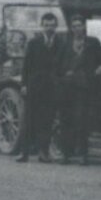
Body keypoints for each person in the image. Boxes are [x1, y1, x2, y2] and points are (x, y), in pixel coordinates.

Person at [54, 19, 101, 165]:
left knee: (82, 120)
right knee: (66, 119)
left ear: (84, 27)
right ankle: (66, 154)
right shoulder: (65, 44)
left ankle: (83, 154)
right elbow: (57, 64)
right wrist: (62, 76)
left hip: (84, 86)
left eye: (79, 26)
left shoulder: (93, 42)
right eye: (74, 26)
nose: (77, 29)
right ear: (71, 29)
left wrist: (100, 67)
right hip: (67, 86)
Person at [14, 12, 62, 163]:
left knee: (47, 121)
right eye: (46, 25)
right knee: (28, 120)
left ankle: (43, 153)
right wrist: (24, 85)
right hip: (34, 86)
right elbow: (26, 66)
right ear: (42, 26)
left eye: (52, 25)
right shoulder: (34, 43)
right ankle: (24, 153)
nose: (49, 28)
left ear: (56, 26)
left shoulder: (61, 43)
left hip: (51, 88)